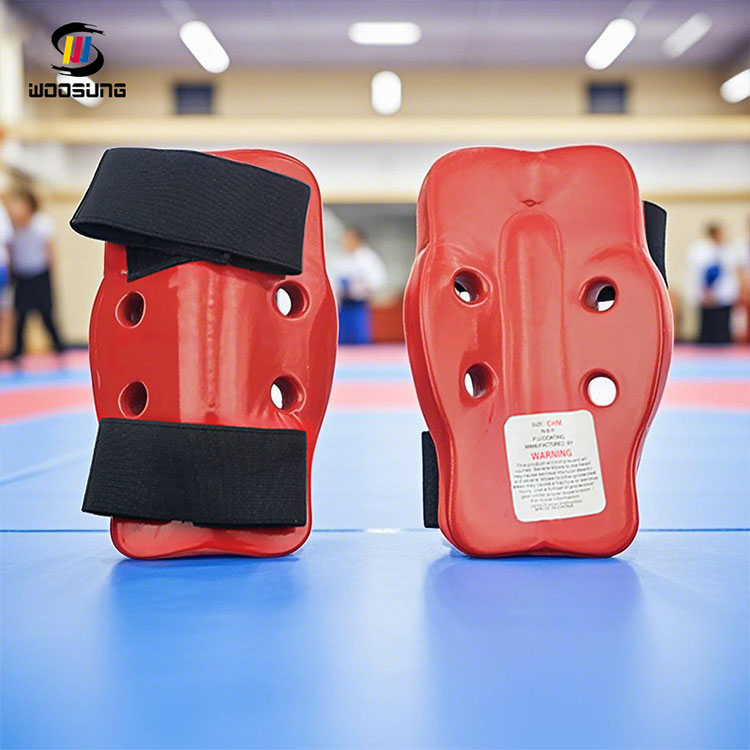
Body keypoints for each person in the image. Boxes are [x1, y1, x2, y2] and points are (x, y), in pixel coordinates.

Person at [4, 187, 65, 360]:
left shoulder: (42, 223)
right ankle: (17, 353)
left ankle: (60, 349)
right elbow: (10, 250)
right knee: (20, 315)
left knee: (46, 313)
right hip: (21, 275)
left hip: (40, 273)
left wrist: (50, 273)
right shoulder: (13, 227)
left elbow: (49, 250)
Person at [688, 222, 746, 344]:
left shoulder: (727, 250)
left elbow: (736, 270)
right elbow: (709, 272)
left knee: (723, 329)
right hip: (708, 296)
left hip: (725, 296)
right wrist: (708, 291)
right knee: (708, 329)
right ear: (714, 234)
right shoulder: (702, 250)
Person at [332, 227, 387, 344]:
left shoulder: (368, 258)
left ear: (357, 240)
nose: (346, 242)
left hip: (359, 303)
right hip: (342, 304)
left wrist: (361, 287)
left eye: (349, 239)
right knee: (340, 336)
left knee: (358, 335)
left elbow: (378, 280)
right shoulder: (339, 258)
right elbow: (333, 279)